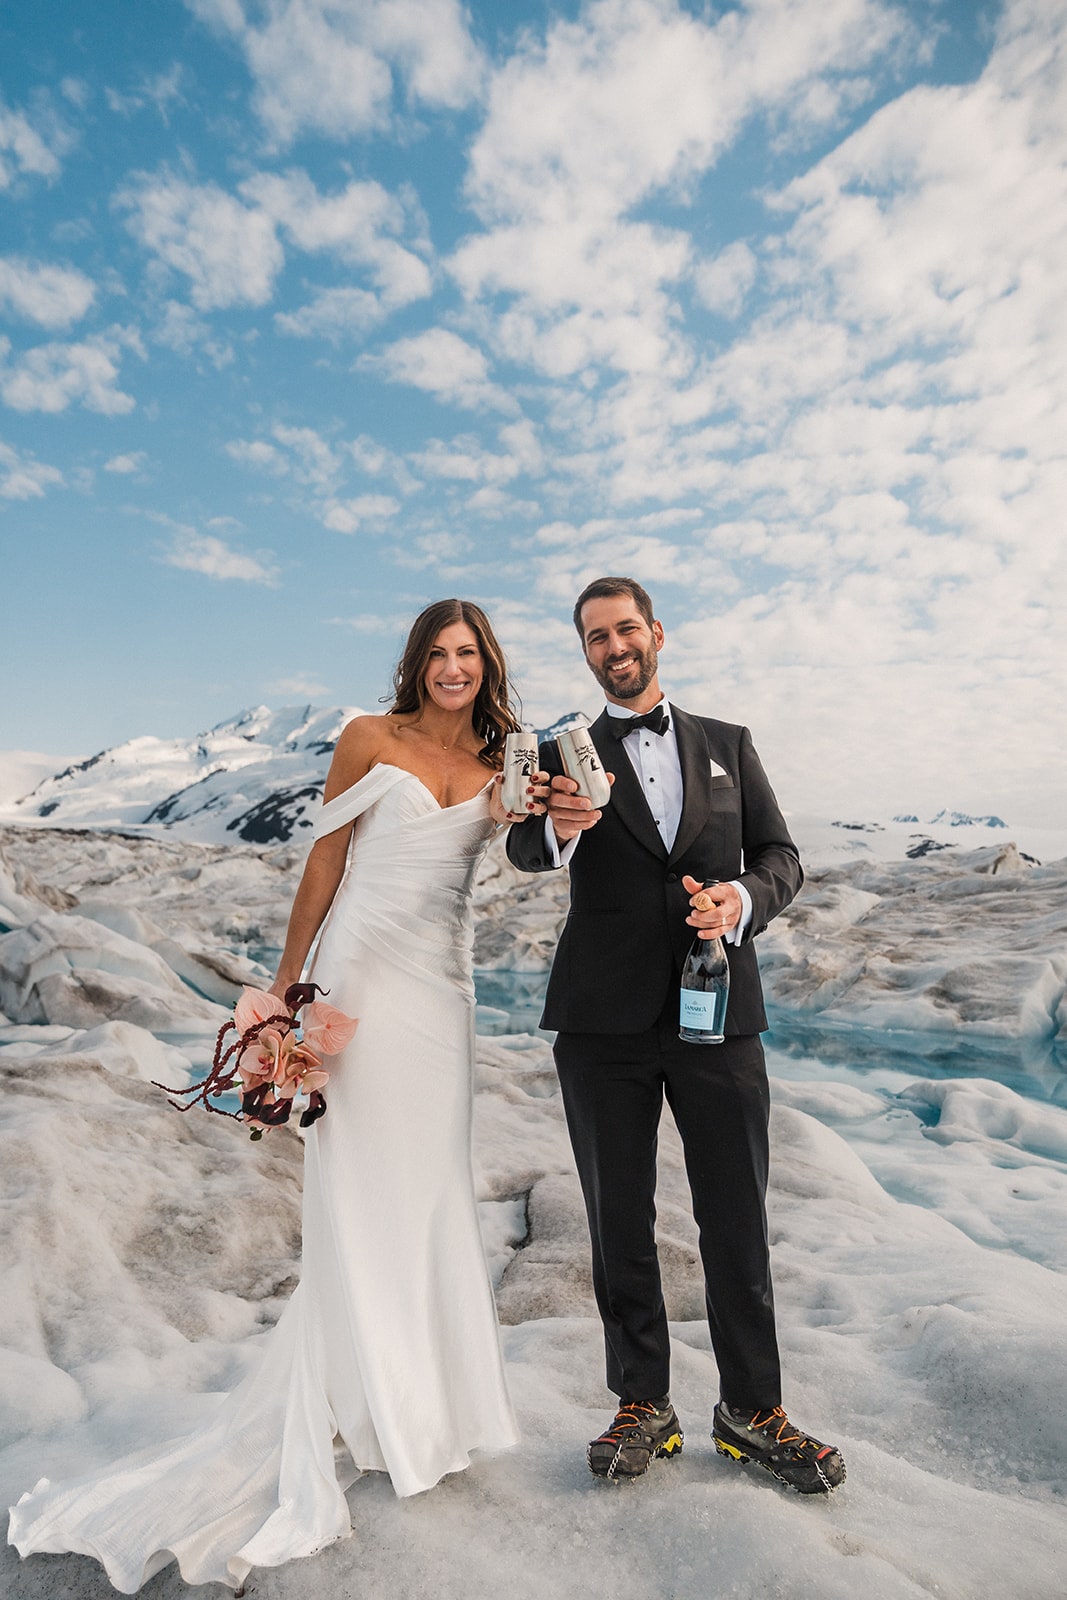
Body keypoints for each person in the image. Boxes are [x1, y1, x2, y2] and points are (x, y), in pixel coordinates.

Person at [9, 599, 546, 1591]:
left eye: (467, 653)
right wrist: (281, 993)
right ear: (416, 662)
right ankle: (358, 1401)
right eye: (438, 652)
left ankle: (427, 1407)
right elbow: (326, 859)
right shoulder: (365, 737)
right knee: (354, 1193)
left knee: (429, 1190)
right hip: (357, 981)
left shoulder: (503, 762)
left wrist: (550, 817)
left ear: (488, 664)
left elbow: (529, 855)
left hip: (442, 995)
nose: (452, 667)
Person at [506, 576, 845, 1495]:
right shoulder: (557, 753)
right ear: (583, 652)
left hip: (718, 1011)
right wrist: (562, 828)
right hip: (599, 1023)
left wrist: (741, 899)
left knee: (734, 1214)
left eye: (623, 629)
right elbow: (524, 850)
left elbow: (782, 858)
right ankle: (640, 1405)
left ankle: (751, 1408)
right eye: (592, 637)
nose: (611, 647)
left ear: (655, 633)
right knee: (618, 1218)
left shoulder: (729, 744)